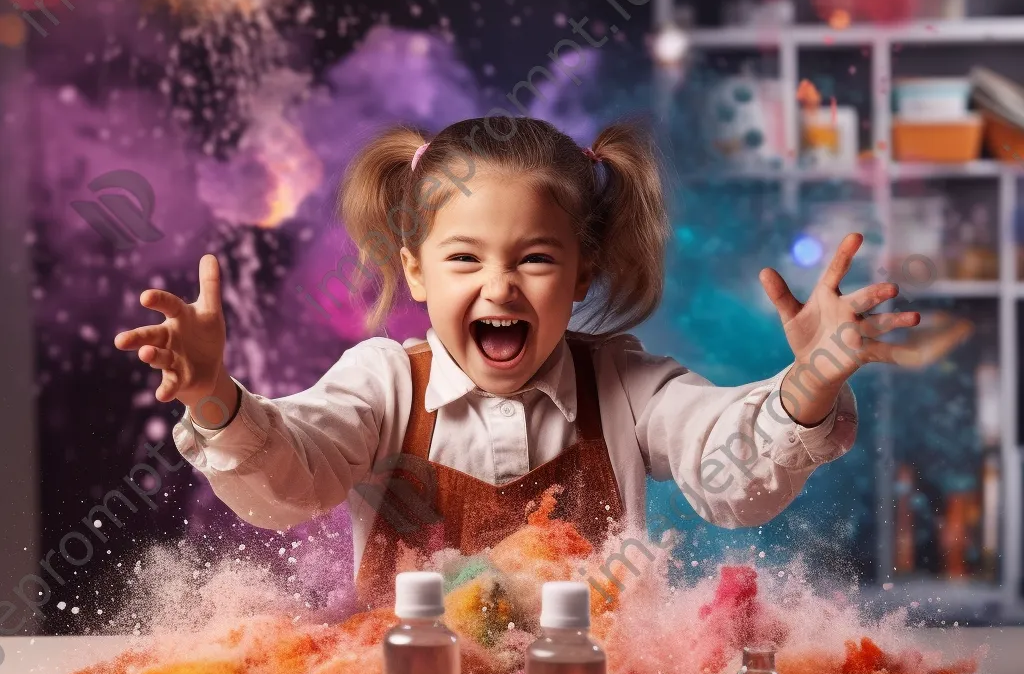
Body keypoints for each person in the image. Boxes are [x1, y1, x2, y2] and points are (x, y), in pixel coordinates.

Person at [113, 116, 920, 605]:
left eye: (535, 258)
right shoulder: (386, 385)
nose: (499, 284)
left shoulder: (628, 388)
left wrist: (808, 382)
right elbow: (290, 478)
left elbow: (731, 476)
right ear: (418, 270)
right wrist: (216, 395)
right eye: (464, 259)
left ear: (583, 273)